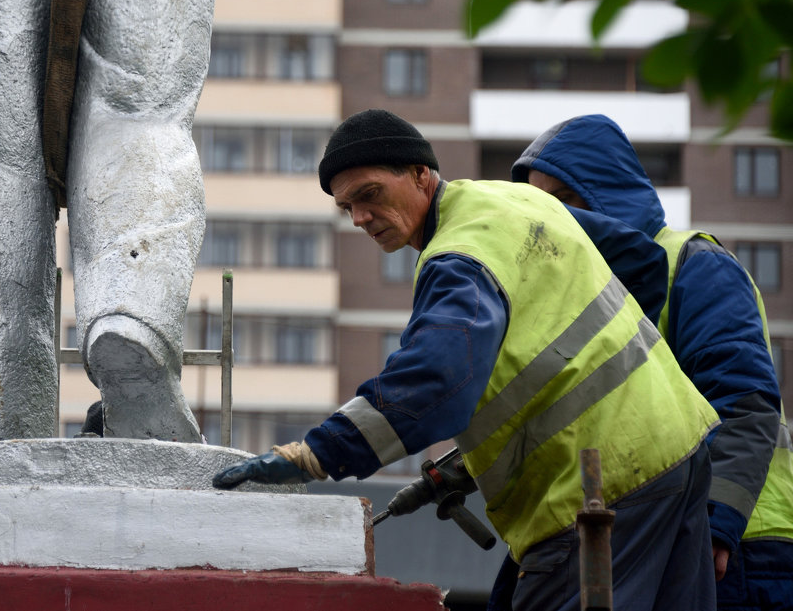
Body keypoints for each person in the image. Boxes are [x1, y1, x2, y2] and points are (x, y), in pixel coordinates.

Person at [213, 109, 721, 611]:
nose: (361, 218)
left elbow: (436, 382)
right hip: (681, 449)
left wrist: (315, 455)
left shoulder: (459, 255)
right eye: (347, 208)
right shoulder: (513, 198)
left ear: (420, 174)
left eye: (369, 195)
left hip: (600, 481)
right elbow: (642, 260)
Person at [512, 113, 793, 611]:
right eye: (540, 203)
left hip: (742, 541)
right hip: (656, 533)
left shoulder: (691, 263)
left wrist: (717, 521)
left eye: (564, 198)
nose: (554, 217)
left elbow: (744, 401)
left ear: (608, 194)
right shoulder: (585, 291)